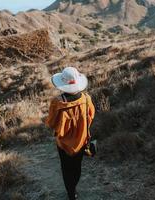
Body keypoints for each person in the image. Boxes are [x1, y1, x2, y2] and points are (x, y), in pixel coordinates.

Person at [45, 67, 95, 200]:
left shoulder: (57, 102)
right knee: (77, 166)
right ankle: (74, 187)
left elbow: (51, 123)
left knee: (66, 168)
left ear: (62, 83)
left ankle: (71, 193)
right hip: (81, 140)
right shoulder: (86, 99)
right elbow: (90, 117)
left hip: (63, 143)